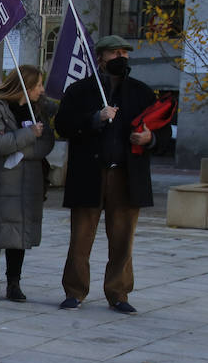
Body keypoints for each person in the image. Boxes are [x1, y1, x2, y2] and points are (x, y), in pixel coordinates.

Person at [55, 35, 167, 314]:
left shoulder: (141, 92)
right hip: (89, 173)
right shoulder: (80, 90)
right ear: (101, 58)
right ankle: (75, 291)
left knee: (122, 238)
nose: (122, 57)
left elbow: (161, 131)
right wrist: (95, 119)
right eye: (115, 53)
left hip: (127, 176)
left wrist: (149, 139)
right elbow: (63, 125)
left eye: (125, 53)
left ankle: (119, 293)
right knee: (80, 238)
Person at [0, 66, 57, 302]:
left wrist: (19, 147)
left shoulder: (38, 110)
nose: (42, 89)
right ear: (25, 87)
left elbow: (46, 143)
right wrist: (28, 136)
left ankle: (14, 283)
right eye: (38, 85)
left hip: (26, 183)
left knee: (18, 235)